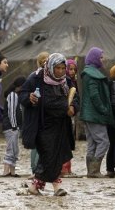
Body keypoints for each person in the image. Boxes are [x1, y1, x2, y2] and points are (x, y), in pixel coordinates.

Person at [19, 53, 78, 196]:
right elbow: (22, 95)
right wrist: (30, 97)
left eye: (63, 68)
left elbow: (76, 98)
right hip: (42, 125)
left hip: (61, 125)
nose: (60, 71)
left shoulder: (66, 81)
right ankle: (57, 186)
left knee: (56, 155)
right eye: (57, 68)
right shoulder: (36, 78)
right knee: (48, 154)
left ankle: (34, 187)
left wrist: (73, 108)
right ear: (50, 67)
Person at [79, 47, 114, 178]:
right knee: (104, 141)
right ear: (94, 59)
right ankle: (94, 170)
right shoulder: (92, 74)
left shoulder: (89, 73)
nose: (102, 59)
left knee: (92, 142)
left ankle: (91, 171)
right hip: (94, 114)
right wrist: (103, 109)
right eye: (100, 57)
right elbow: (94, 95)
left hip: (89, 114)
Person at [29, 51, 49, 179]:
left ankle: (37, 169)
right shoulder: (38, 76)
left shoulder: (34, 75)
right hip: (39, 112)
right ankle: (37, 169)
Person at [2, 76, 26, 177]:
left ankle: (12, 171)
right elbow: (11, 112)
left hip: (15, 127)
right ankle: (6, 171)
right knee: (11, 148)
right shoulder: (12, 95)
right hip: (11, 127)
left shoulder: (16, 95)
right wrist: (14, 126)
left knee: (15, 149)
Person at [61, 58, 79, 177]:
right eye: (70, 69)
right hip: (63, 115)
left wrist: (73, 107)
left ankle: (68, 169)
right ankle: (63, 169)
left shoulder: (73, 82)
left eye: (74, 69)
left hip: (70, 115)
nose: (72, 72)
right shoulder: (64, 81)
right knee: (64, 142)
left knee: (68, 141)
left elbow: (76, 98)